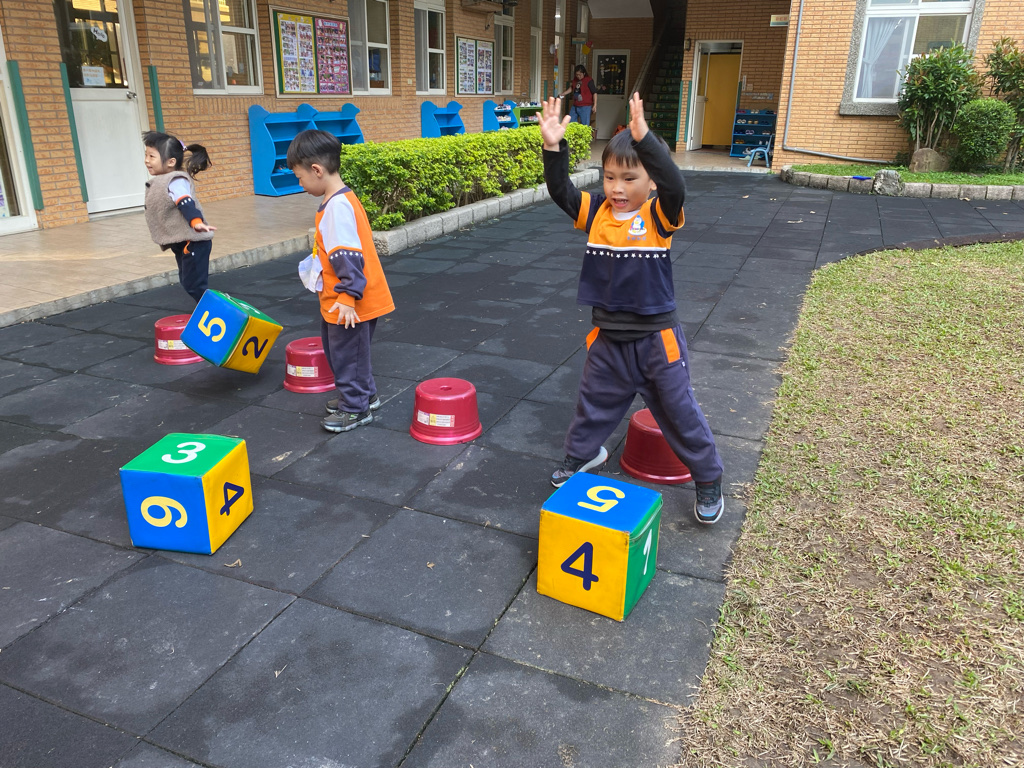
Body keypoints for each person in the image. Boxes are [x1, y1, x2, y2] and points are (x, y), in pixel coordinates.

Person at [539, 92, 726, 524]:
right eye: (609, 177)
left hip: (657, 341)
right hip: (609, 339)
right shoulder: (597, 212)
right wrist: (553, 148)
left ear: (651, 180)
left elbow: (676, 186)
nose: (617, 188)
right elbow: (561, 191)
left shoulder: (660, 215)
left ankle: (708, 476)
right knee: (592, 404)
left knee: (679, 413)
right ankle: (583, 455)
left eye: (629, 178)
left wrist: (646, 142)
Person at [286, 129, 394, 433]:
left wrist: (347, 297)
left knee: (347, 357)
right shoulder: (340, 199)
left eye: (299, 177)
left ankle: (355, 409)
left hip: (349, 302)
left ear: (316, 170)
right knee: (348, 354)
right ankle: (364, 395)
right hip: (342, 298)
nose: (300, 184)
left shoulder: (336, 207)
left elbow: (348, 256)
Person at [143, 131, 216, 303]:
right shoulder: (161, 180)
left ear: (171, 162)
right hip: (182, 242)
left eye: (152, 156)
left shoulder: (176, 180)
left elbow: (185, 202)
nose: (147, 160)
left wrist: (196, 222)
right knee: (187, 282)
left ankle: (218, 310)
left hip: (194, 241)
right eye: (146, 155)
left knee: (194, 284)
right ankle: (208, 308)